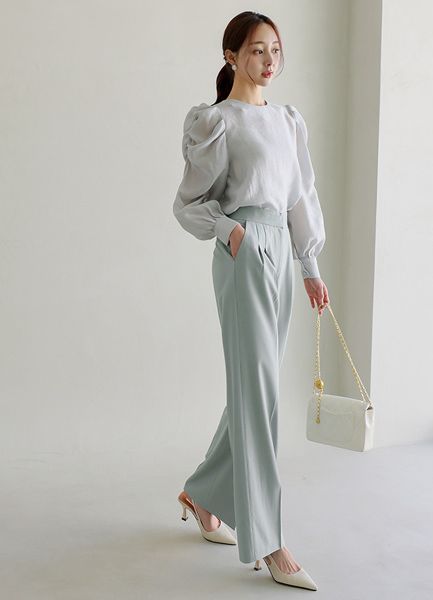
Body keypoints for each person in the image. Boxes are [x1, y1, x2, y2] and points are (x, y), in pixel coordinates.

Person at [173, 10, 329, 592]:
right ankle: (269, 539)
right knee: (258, 393)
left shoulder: (288, 121)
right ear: (232, 56)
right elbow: (188, 202)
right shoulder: (217, 121)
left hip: (281, 254)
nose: (269, 60)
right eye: (258, 50)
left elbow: (301, 195)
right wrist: (228, 231)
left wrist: (309, 266)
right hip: (243, 254)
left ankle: (202, 492)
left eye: (275, 50)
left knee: (255, 390)